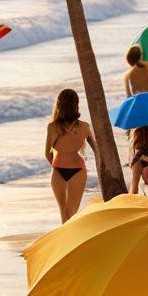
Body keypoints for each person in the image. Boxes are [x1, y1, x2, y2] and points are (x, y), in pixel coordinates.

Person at [44, 89, 97, 222]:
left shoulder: (52, 127)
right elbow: (97, 150)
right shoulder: (84, 126)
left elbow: (47, 153)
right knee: (67, 215)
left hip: (58, 171)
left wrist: (58, 164)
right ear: (76, 104)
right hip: (77, 169)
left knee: (67, 214)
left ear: (59, 104)